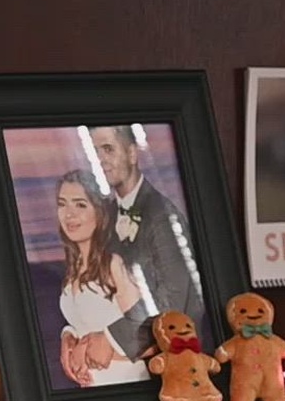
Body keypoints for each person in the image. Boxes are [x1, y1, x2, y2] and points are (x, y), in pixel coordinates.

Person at [61, 126, 207, 383]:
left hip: (163, 376)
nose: (101, 160)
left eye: (108, 149)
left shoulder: (161, 216)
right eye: (95, 151)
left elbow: (177, 305)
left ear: (131, 153)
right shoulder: (105, 212)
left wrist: (109, 340)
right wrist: (71, 336)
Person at [53, 169, 152, 388]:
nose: (69, 214)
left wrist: (87, 351)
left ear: (99, 212)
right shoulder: (73, 267)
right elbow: (85, 319)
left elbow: (149, 335)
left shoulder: (114, 263)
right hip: (92, 392)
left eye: (80, 204)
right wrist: (68, 338)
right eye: (62, 204)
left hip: (127, 385)